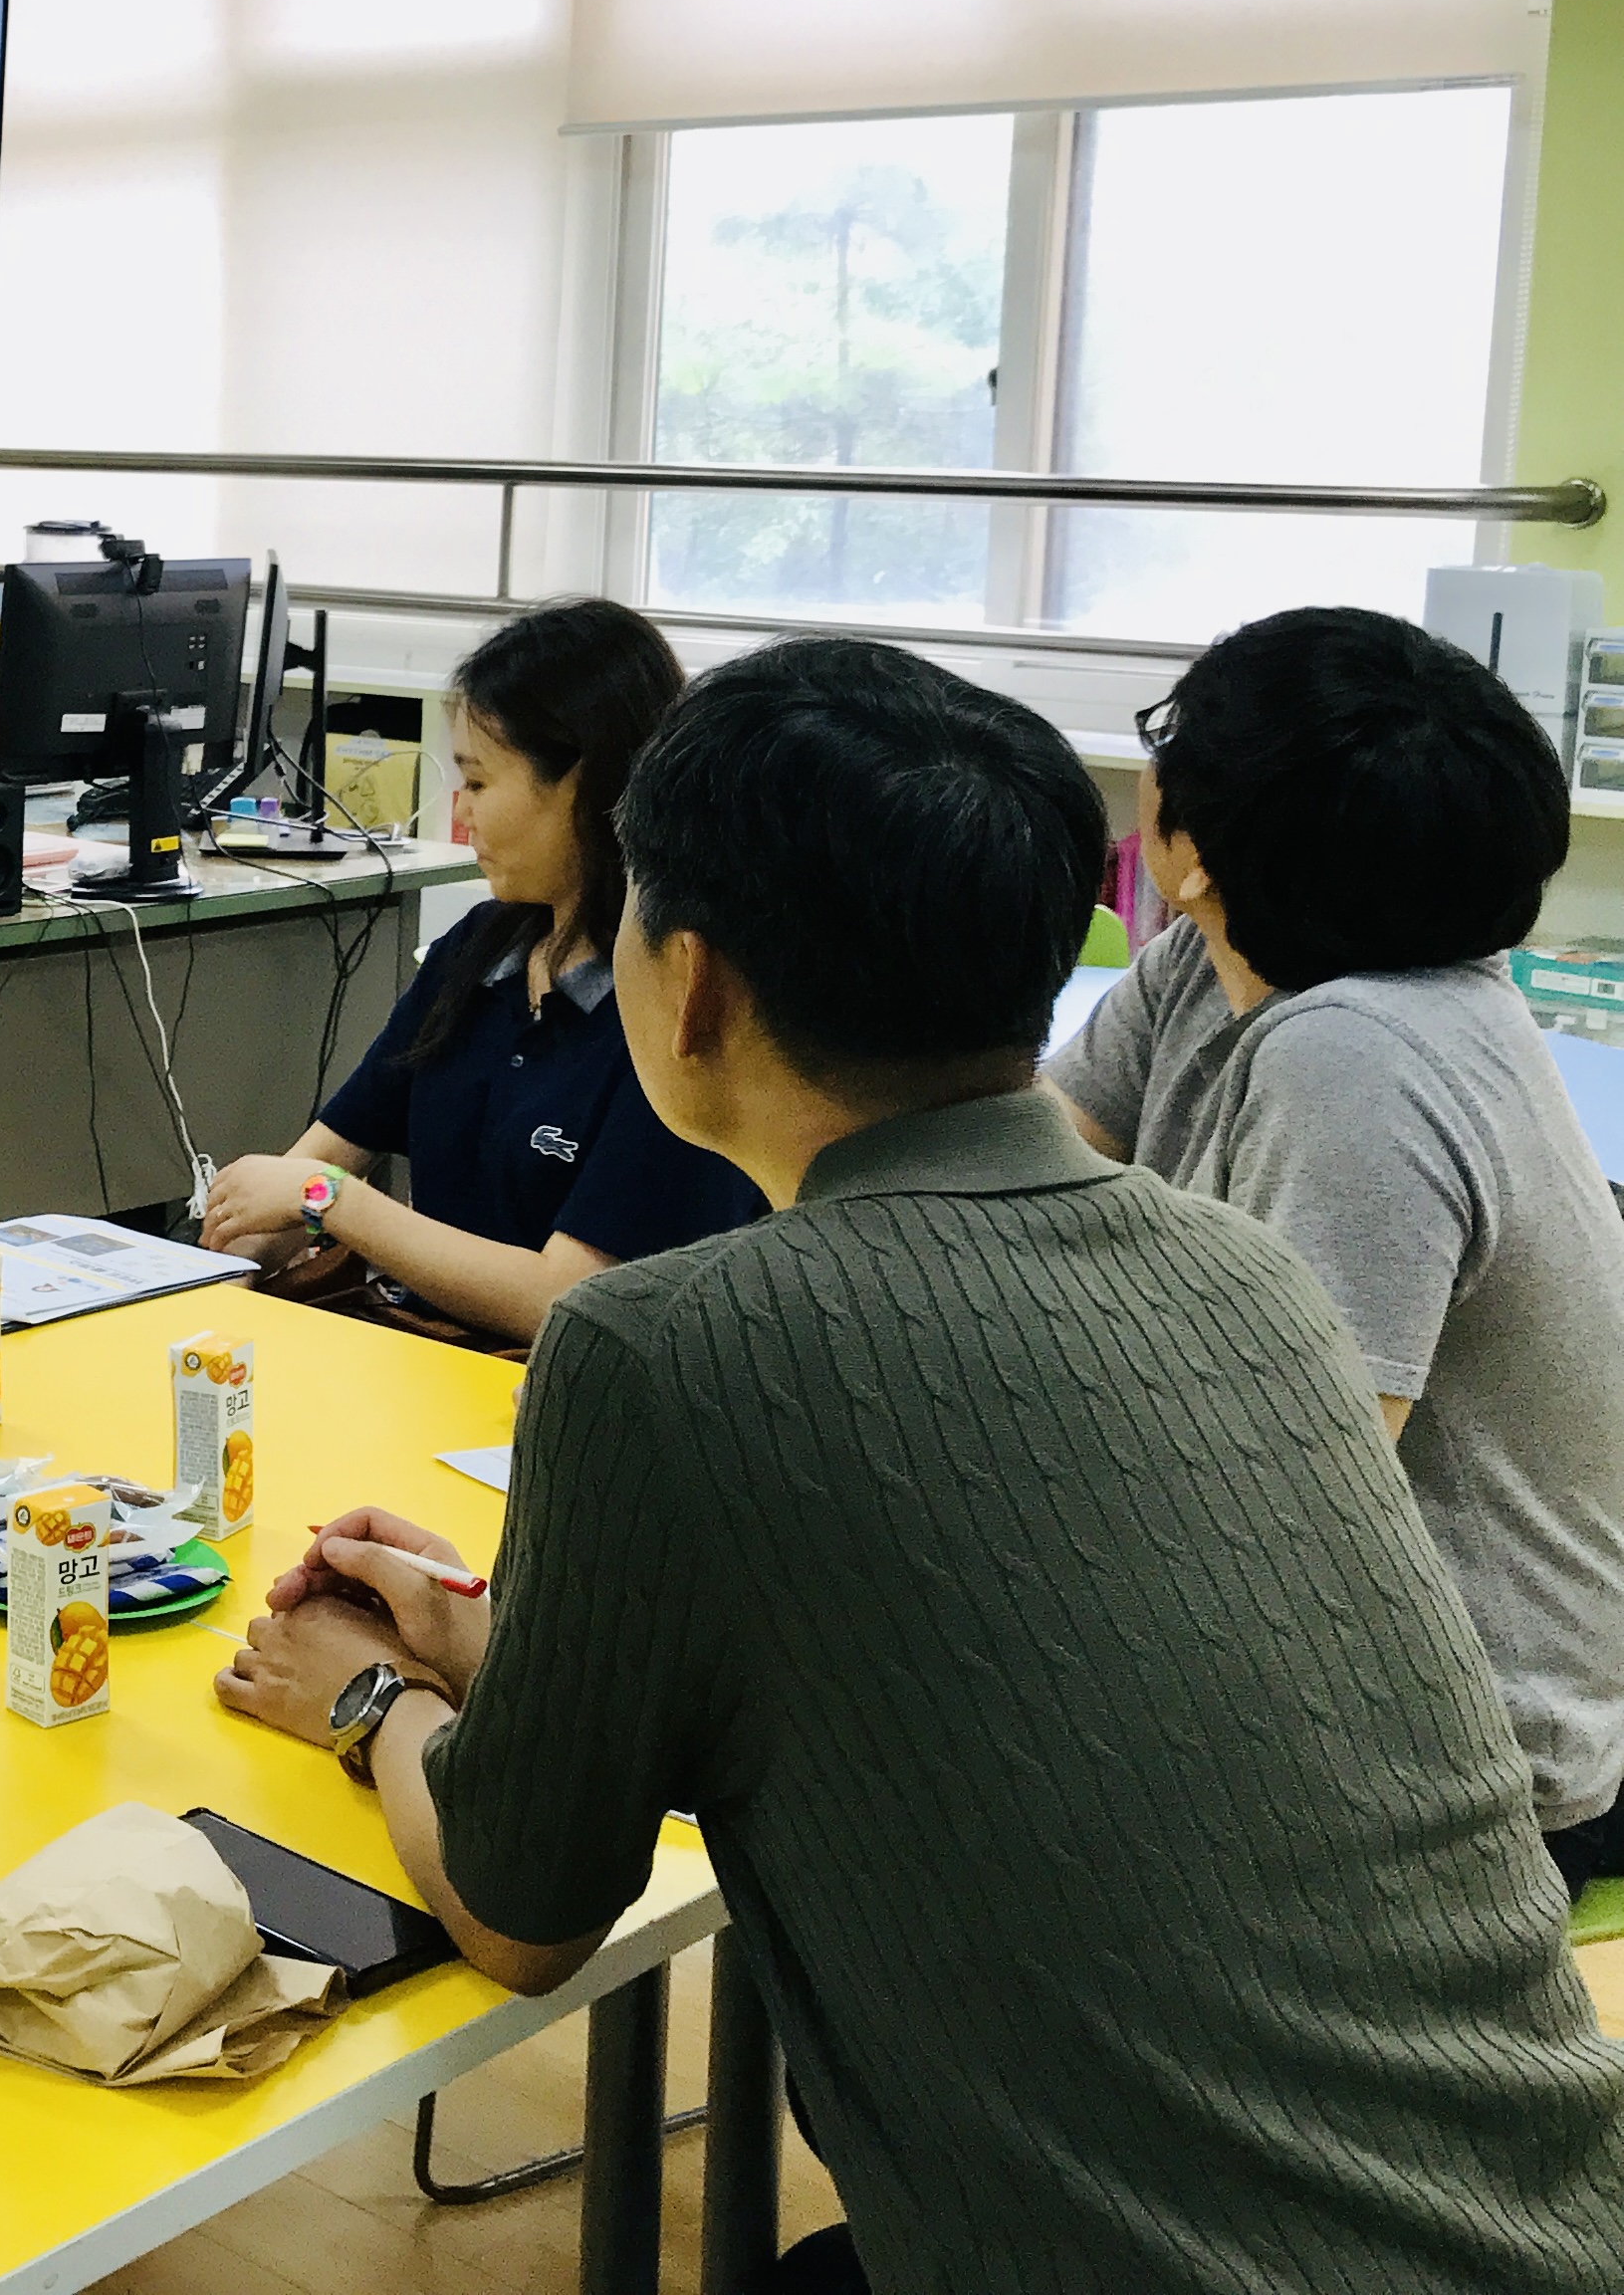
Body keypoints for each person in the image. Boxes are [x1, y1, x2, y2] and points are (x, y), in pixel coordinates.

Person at [216, 635, 1624, 2294]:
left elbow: (523, 1921)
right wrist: (509, 1650)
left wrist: (374, 1702)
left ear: (691, 980)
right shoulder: (1242, 1275)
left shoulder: (661, 1349)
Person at [1049, 604, 1624, 1892]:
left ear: (1196, 843)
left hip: (1467, 1763)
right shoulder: (1210, 965)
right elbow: (1012, 1185)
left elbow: (1279, 1501)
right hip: (1307, 1666)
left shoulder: (1357, 1058)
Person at [199, 597, 761, 1347]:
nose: (461, 815)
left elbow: (564, 1299)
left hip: (542, 1392)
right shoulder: (483, 948)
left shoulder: (676, 1002)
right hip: (409, 1353)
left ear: (586, 786)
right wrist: (229, 1258)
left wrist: (330, 1203)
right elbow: (324, 1160)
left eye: (481, 783)